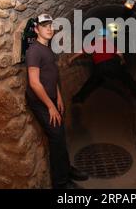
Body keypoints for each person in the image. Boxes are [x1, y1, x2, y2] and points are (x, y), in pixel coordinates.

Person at [25, 13, 88, 189]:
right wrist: (50, 105)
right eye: (44, 26)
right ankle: (60, 183)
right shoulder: (34, 51)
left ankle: (66, 169)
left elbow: (52, 76)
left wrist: (58, 97)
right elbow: (34, 83)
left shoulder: (48, 48)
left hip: (51, 98)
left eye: (50, 25)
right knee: (57, 139)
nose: (49, 29)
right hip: (41, 102)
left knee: (60, 137)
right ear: (37, 29)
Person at [68, 28, 136, 104]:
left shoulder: (94, 43)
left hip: (100, 67)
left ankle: (77, 98)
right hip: (112, 64)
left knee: (90, 83)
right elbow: (119, 53)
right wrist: (122, 60)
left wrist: (71, 58)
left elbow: (81, 51)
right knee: (126, 77)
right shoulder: (108, 43)